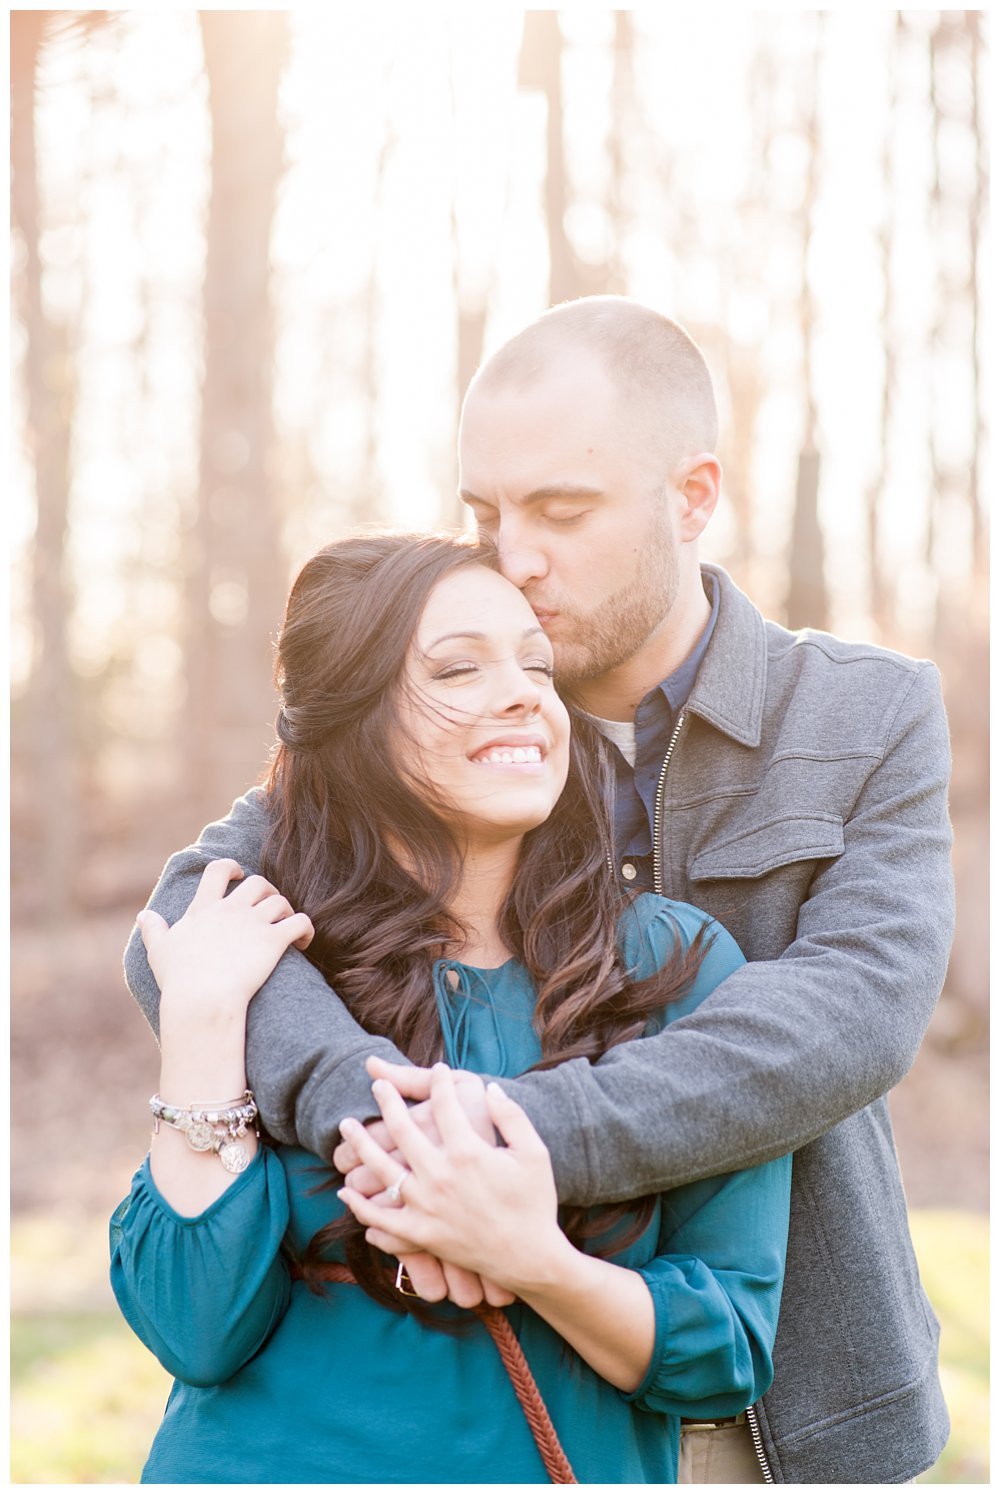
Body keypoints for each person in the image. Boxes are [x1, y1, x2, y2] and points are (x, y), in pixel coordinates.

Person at [124, 297, 954, 1483]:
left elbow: (857, 1011)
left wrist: (506, 1140)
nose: (512, 556)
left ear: (692, 497)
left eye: (560, 511)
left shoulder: (865, 713)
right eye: (485, 512)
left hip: (785, 1403)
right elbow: (186, 909)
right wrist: (379, 1116)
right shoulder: (443, 717)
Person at [111, 531, 791, 1484]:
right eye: (458, 668)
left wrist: (532, 1259)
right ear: (352, 713)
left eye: (536, 665)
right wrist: (200, 1030)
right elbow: (192, 1329)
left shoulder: (672, 966)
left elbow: (727, 1349)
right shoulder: (274, 959)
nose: (523, 694)